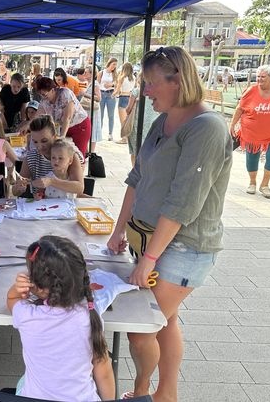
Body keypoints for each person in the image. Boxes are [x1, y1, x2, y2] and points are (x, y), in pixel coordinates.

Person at [106, 47, 232, 402]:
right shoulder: (163, 120)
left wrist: (148, 260)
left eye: (150, 83)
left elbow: (182, 204)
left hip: (183, 247)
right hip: (149, 241)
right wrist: (118, 231)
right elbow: (137, 177)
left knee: (141, 327)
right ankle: (165, 394)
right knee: (165, 321)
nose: (144, 91)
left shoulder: (206, 128)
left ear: (177, 79)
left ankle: (146, 392)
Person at [7, 236, 115, 401]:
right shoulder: (91, 315)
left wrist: (17, 289)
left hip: (34, 398)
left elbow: (12, 300)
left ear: (37, 285)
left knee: (23, 381)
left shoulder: (27, 315)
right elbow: (104, 372)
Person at [229, 64, 270, 199]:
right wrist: (233, 124)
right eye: (258, 76)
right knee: (252, 156)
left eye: (263, 77)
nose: (259, 79)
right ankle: (252, 182)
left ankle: (265, 184)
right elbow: (240, 108)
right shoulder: (251, 90)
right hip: (252, 131)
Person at [13, 115, 84, 198]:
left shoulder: (67, 155)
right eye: (35, 142)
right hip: (41, 206)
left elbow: (79, 188)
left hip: (66, 205)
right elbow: (15, 192)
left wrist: (51, 181)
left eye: (44, 141)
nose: (39, 146)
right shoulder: (31, 157)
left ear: (54, 136)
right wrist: (19, 188)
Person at [36, 76, 91, 156]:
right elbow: (37, 117)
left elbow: (67, 118)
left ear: (52, 90)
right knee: (62, 157)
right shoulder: (44, 101)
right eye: (40, 95)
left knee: (78, 156)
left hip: (80, 127)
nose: (43, 97)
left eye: (44, 94)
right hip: (62, 128)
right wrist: (27, 126)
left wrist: (62, 138)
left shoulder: (65, 94)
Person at [126, 73, 160, 165]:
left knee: (135, 150)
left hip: (137, 124)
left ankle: (134, 169)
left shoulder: (136, 91)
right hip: (152, 123)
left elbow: (128, 109)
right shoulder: (157, 92)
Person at [77, 67, 101, 153]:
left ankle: (91, 151)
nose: (84, 74)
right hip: (88, 109)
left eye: (86, 73)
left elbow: (98, 98)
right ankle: (88, 151)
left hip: (93, 110)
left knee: (93, 129)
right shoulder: (89, 83)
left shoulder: (95, 84)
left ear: (91, 74)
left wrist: (85, 94)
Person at [114, 62, 136, 144]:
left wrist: (113, 95)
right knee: (128, 120)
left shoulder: (122, 78)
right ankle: (128, 137)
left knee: (122, 121)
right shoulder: (133, 77)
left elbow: (117, 90)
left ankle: (124, 138)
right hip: (130, 98)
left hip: (123, 98)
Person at [97, 58, 118, 141]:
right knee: (100, 115)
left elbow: (117, 84)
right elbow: (97, 84)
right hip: (102, 94)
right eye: (113, 64)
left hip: (110, 94)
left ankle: (110, 134)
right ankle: (99, 133)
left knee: (111, 115)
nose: (114, 66)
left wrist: (111, 84)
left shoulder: (115, 74)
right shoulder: (101, 73)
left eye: (116, 65)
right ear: (109, 63)